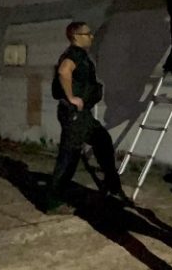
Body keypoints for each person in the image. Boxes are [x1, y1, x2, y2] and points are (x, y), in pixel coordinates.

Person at [47, 21, 129, 211]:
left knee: (102, 140)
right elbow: (63, 71)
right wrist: (71, 97)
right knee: (69, 156)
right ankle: (53, 201)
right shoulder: (74, 54)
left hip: (82, 115)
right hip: (74, 114)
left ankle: (112, 185)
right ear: (76, 37)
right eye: (87, 34)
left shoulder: (80, 55)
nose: (91, 37)